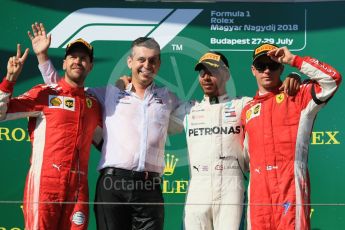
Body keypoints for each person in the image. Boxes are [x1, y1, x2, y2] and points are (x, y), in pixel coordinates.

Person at [29, 22, 180, 230]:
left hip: (149, 185)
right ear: (130, 62)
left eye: (153, 61)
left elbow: (198, 113)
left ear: (159, 65)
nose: (147, 65)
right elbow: (66, 91)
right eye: (141, 59)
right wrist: (42, 58)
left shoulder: (169, 98)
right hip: (113, 184)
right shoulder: (108, 93)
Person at [168, 51, 301, 230]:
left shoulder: (244, 105)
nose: (206, 77)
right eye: (202, 72)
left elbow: (272, 99)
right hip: (198, 187)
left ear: (227, 75)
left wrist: (294, 77)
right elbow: (151, 121)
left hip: (232, 186)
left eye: (212, 71)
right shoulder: (189, 110)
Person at [0, 38, 102, 230]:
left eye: (83, 58)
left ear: (90, 66)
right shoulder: (45, 94)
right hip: (45, 185)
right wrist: (9, 80)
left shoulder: (94, 105)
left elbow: (108, 141)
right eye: (73, 57)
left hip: (78, 189)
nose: (77, 61)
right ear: (64, 63)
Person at [241, 43, 342, 230]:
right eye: (261, 66)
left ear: (281, 67)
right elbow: (245, 157)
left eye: (272, 65)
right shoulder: (246, 109)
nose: (267, 71)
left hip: (290, 186)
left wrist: (294, 61)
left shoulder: (298, 94)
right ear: (253, 70)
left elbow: (332, 79)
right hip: (258, 191)